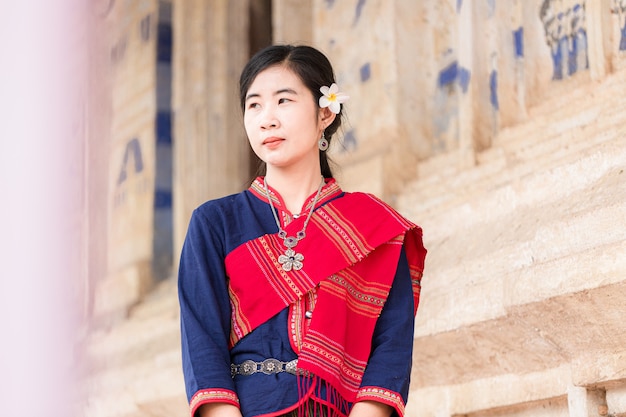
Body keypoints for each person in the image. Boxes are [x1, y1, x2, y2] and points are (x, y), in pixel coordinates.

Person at [178, 44, 427, 417]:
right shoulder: (215, 223)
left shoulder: (373, 225)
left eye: (284, 101)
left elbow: (392, 345)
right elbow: (202, 344)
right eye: (254, 105)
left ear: (325, 112)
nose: (266, 119)